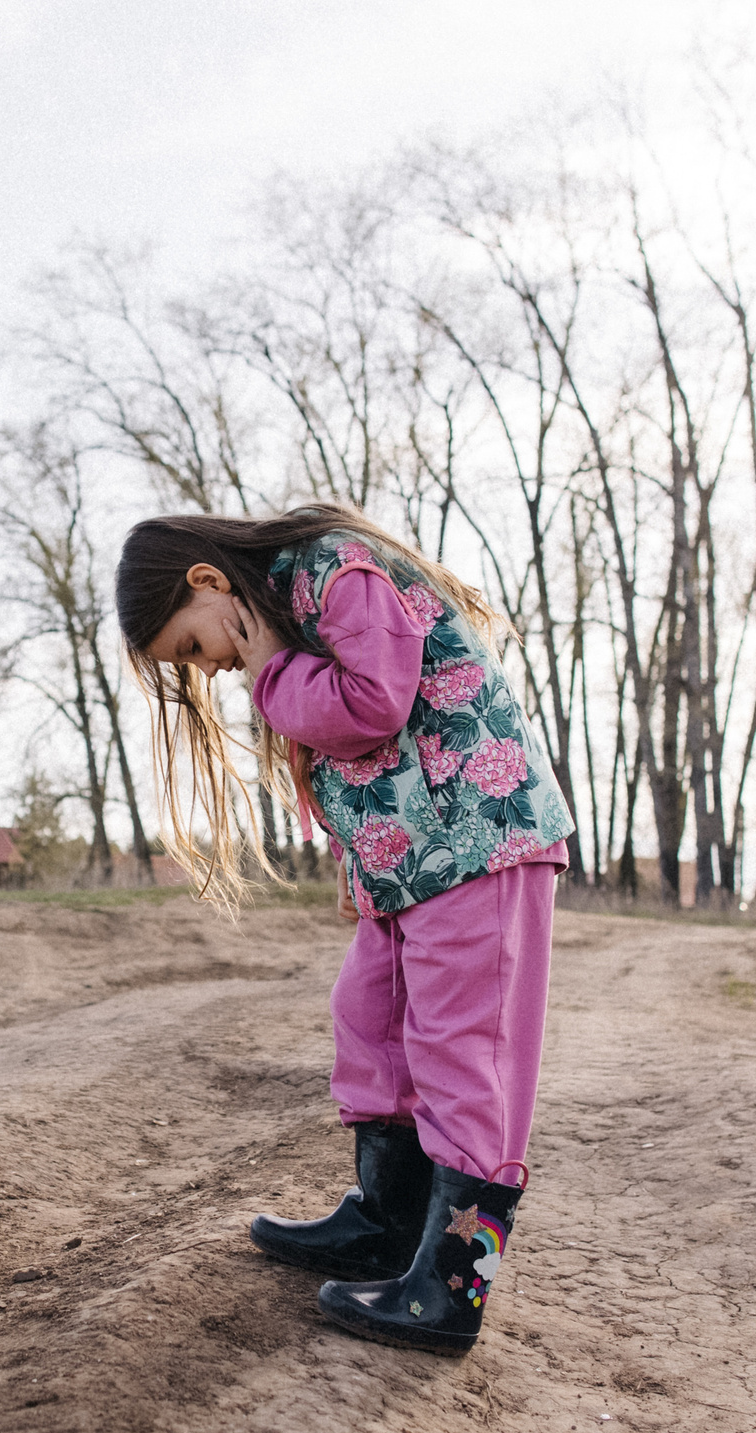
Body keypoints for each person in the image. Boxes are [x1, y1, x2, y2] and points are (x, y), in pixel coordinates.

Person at [115, 502, 572, 1356]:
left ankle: (451, 1283)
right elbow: (358, 762)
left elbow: (372, 705)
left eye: (191, 647)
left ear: (208, 583)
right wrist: (359, 865)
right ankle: (390, 1226)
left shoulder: (334, 571)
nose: (209, 670)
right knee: (368, 1019)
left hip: (481, 843)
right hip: (412, 867)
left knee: (461, 1052)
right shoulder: (294, 612)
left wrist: (270, 671)